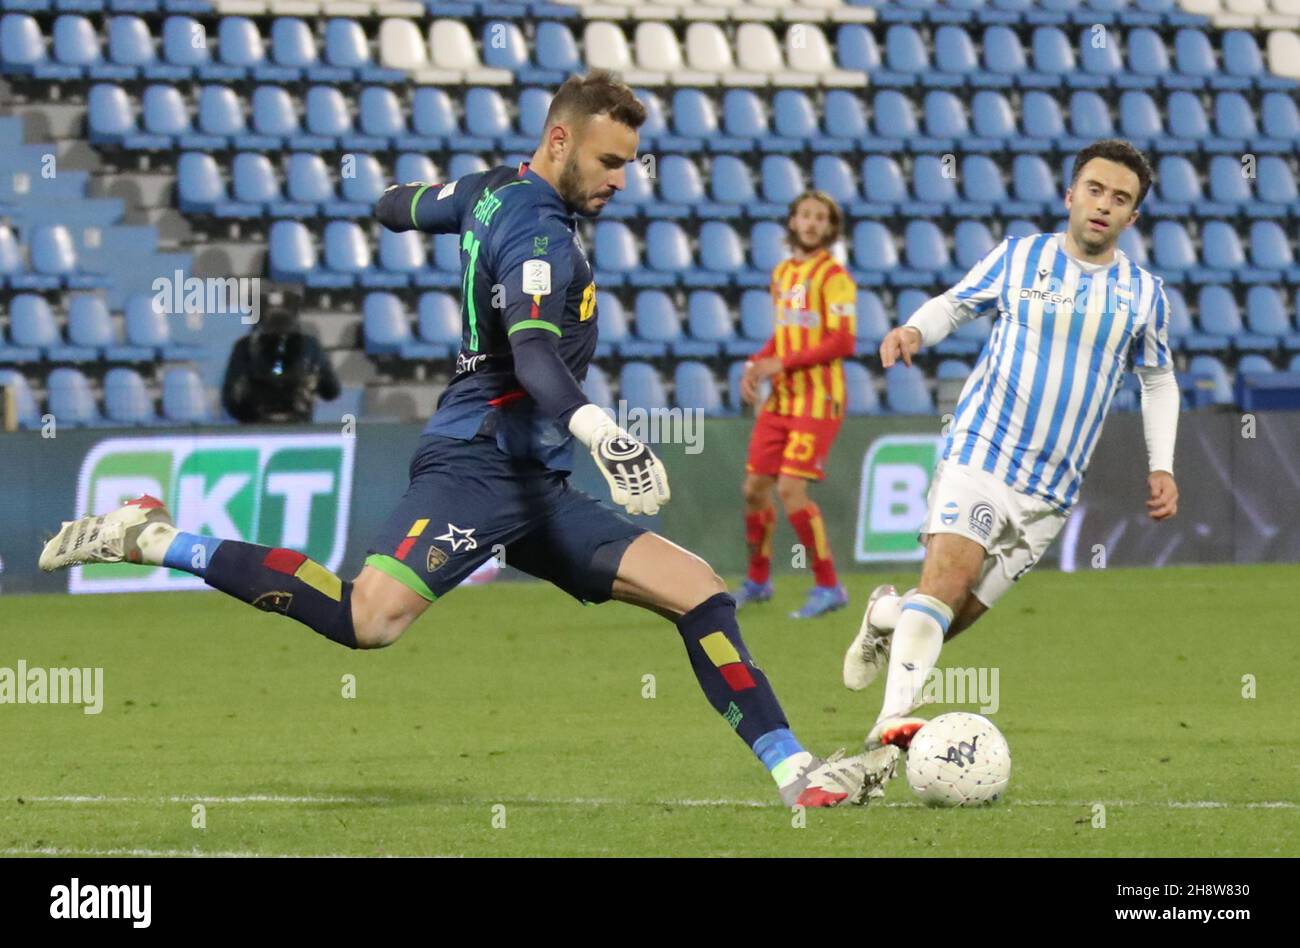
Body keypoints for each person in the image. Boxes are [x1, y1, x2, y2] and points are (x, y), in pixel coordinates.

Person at [40, 70, 897, 808]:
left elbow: (394, 207)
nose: (622, 180)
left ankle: (798, 776)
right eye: (608, 161)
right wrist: (606, 432)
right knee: (366, 623)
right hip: (477, 464)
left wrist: (415, 206)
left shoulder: (492, 190)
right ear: (560, 140)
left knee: (699, 591)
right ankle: (154, 535)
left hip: (538, 484)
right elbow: (532, 354)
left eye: (630, 163)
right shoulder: (538, 233)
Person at [842, 139, 1181, 753]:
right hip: (982, 451)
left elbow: (1157, 378)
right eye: (1096, 190)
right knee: (946, 582)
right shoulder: (1021, 259)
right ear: (1071, 195)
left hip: (1051, 491)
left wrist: (1163, 465)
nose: (1104, 205)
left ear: (1133, 218)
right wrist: (917, 326)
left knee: (951, 616)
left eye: (1121, 199)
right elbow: (957, 303)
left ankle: (885, 615)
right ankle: (890, 728)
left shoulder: (1143, 295)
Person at [735, 191, 856, 619]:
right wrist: (756, 363)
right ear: (792, 222)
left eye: (819, 218)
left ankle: (829, 586)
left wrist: (778, 362)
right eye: (803, 215)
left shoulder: (835, 277)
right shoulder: (783, 274)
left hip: (818, 401)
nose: (810, 223)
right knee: (754, 489)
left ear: (829, 229)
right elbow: (785, 334)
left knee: (790, 488)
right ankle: (758, 580)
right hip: (782, 399)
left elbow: (843, 341)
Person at [221, 293, 339, 423]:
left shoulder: (310, 345)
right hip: (260, 424)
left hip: (292, 424)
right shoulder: (244, 347)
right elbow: (231, 399)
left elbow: (331, 390)